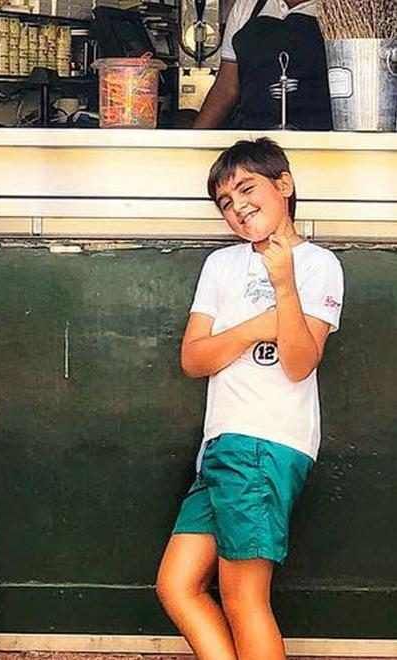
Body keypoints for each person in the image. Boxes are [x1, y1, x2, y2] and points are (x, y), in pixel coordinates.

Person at [156, 138, 343, 659]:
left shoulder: (317, 265)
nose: (237, 206)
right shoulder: (222, 265)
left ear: (283, 184)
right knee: (178, 584)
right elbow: (193, 359)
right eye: (224, 201)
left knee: (243, 596)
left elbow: (299, 361)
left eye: (247, 188)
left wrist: (283, 286)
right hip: (221, 447)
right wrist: (261, 326)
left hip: (264, 443)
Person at [193, 0, 333, 130]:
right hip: (253, 140)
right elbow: (226, 88)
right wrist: (194, 142)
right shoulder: (246, 6)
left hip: (319, 139)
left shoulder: (341, 10)